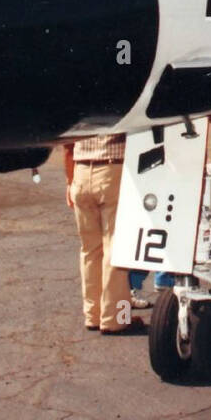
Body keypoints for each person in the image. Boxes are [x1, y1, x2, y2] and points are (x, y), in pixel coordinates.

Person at [63, 134, 143, 334]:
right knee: (115, 247)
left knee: (89, 249)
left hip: (80, 171)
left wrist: (69, 181)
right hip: (111, 170)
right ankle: (115, 319)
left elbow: (67, 146)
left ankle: (92, 315)